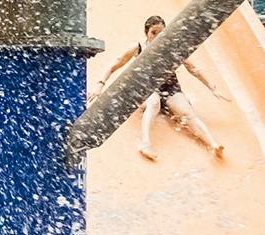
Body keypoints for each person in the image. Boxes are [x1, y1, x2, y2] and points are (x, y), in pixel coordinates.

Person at [94, 15, 231, 161]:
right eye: (154, 32)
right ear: (146, 32)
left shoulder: (173, 49)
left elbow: (193, 68)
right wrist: (100, 84)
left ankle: (213, 144)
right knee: (153, 103)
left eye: (161, 33)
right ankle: (145, 143)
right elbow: (115, 64)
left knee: (187, 113)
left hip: (169, 87)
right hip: (146, 87)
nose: (158, 37)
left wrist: (212, 87)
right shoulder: (138, 48)